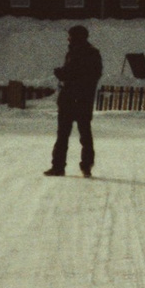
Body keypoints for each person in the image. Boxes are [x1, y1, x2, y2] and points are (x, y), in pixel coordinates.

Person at [44, 24, 104, 177]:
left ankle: (58, 167)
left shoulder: (74, 53)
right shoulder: (93, 53)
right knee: (85, 134)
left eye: (70, 36)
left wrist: (61, 73)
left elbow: (70, 73)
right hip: (85, 99)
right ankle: (86, 166)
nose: (68, 38)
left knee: (63, 134)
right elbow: (95, 75)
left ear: (76, 37)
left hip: (69, 99)